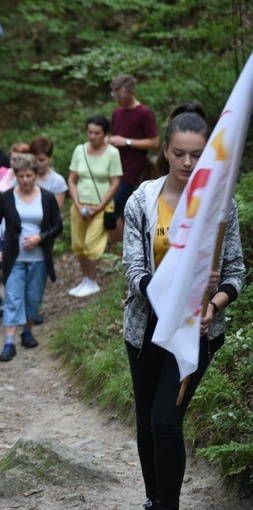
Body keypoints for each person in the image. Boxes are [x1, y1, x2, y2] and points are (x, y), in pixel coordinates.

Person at [122, 105, 245, 510]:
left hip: (196, 327)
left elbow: (235, 272)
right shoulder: (143, 199)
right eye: (179, 153)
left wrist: (215, 301)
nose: (188, 162)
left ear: (208, 152)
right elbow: (134, 268)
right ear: (165, 150)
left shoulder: (221, 204)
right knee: (145, 422)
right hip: (146, 326)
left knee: (165, 421)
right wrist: (171, 287)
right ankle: (154, 498)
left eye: (196, 154)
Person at [0, 154, 62, 362]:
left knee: (33, 299)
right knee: (12, 298)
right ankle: (9, 343)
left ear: (36, 175)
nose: (26, 180)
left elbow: (58, 226)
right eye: (21, 176)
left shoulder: (47, 197)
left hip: (39, 258)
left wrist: (40, 237)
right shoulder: (7, 197)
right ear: (16, 176)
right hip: (14, 258)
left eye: (29, 176)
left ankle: (27, 332)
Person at [67, 115, 122, 297]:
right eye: (89, 132)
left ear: (105, 134)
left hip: (100, 208)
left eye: (97, 133)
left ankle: (93, 280)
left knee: (92, 245)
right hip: (80, 205)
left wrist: (98, 208)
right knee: (79, 245)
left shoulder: (112, 153)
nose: (92, 136)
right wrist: (77, 202)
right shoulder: (79, 150)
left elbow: (115, 183)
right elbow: (72, 179)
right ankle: (85, 279)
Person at [108, 74, 159, 248]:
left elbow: (154, 142)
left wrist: (127, 141)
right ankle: (122, 253)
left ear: (132, 92)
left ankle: (119, 254)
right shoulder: (117, 112)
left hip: (133, 171)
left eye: (121, 95)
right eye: (115, 95)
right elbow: (117, 135)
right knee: (121, 212)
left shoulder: (144, 113)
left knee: (113, 210)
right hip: (114, 169)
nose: (118, 99)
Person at [28, 136, 67, 211]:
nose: (38, 163)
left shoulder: (58, 182)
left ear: (50, 158)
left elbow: (55, 211)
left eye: (41, 160)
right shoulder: (23, 177)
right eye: (34, 160)